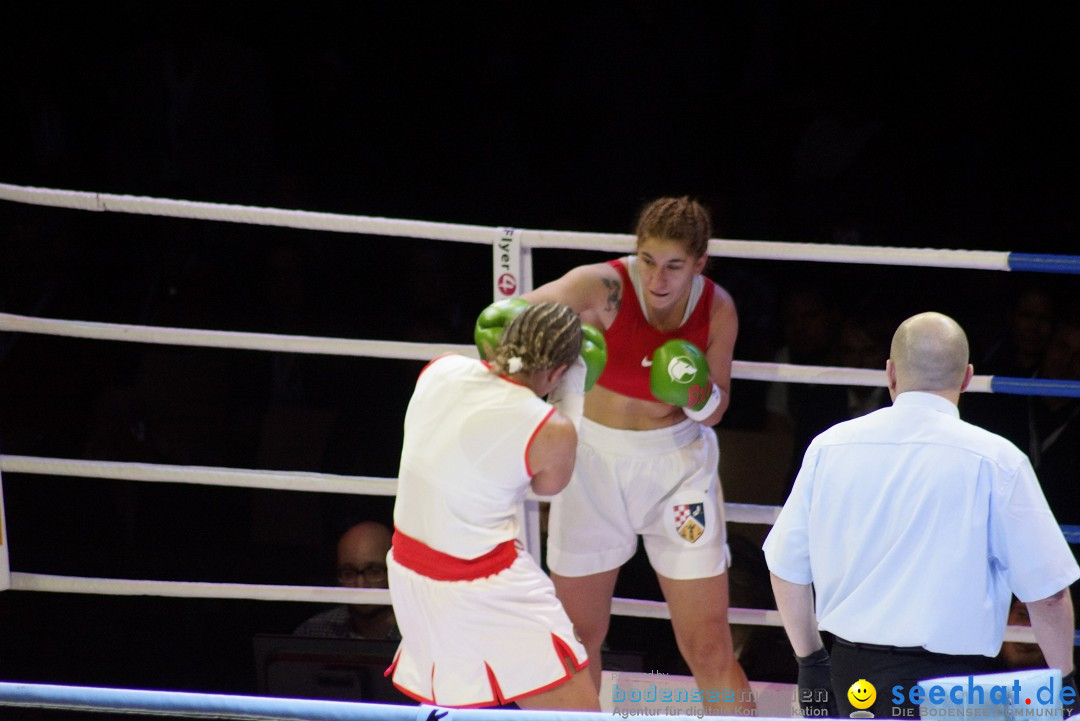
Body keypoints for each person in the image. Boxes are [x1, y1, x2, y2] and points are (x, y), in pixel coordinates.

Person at [763, 311, 1079, 718]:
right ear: (966, 378)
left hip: (853, 679)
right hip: (959, 689)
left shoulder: (830, 447)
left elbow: (786, 567)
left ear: (890, 373)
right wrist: (1065, 685)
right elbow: (1049, 595)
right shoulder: (998, 460)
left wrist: (810, 662)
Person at [521, 196, 752, 715]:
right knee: (578, 638)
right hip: (591, 466)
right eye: (648, 260)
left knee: (709, 643)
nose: (657, 278)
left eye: (674, 265)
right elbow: (521, 313)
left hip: (677, 472)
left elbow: (717, 408)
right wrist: (538, 340)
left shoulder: (717, 308)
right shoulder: (602, 286)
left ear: (700, 262)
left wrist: (694, 393)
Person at [385, 301, 600, 711]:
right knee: (579, 714)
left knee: (456, 709)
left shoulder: (440, 368)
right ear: (556, 372)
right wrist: (572, 392)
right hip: (486, 583)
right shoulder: (548, 427)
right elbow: (552, 485)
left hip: (409, 572)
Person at [293, 520, 399, 640]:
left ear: (394, 571)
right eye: (349, 573)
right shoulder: (314, 632)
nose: (361, 585)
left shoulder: (420, 631)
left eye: (374, 571)